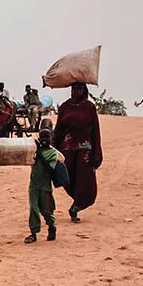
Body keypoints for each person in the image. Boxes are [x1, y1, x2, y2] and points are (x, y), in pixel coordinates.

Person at [51, 81, 103, 223]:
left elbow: (96, 131)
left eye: (79, 89)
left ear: (84, 90)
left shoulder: (90, 107)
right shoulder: (65, 107)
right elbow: (58, 130)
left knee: (86, 181)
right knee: (67, 178)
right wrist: (52, 150)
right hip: (66, 149)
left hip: (85, 149)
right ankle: (76, 200)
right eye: (74, 88)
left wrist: (97, 152)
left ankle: (77, 206)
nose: (76, 91)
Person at [25, 128, 59, 244]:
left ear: (51, 139)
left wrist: (39, 154)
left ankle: (51, 227)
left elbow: (50, 169)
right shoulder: (34, 150)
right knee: (33, 208)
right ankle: (33, 233)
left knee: (47, 211)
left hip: (45, 187)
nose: (44, 140)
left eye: (47, 138)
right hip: (33, 185)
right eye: (42, 138)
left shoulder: (53, 153)